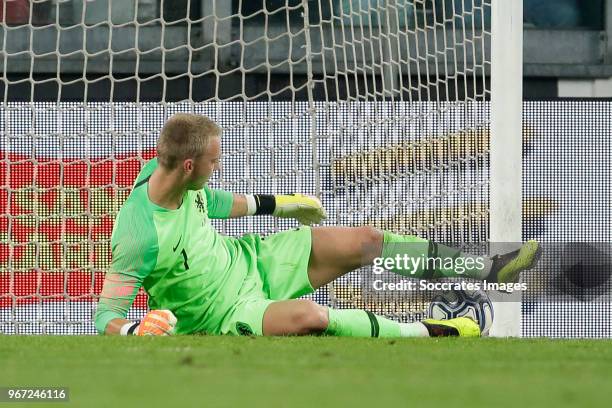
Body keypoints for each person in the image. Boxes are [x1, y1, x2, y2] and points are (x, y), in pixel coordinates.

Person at [94, 113, 541, 338]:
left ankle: (488, 267)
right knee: (312, 317)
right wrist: (136, 329)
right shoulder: (138, 234)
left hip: (254, 260)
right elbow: (105, 317)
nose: (219, 165)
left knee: (366, 240)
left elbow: (211, 200)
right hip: (227, 315)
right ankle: (437, 331)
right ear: (189, 164)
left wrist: (281, 205)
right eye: (214, 160)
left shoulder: (171, 173)